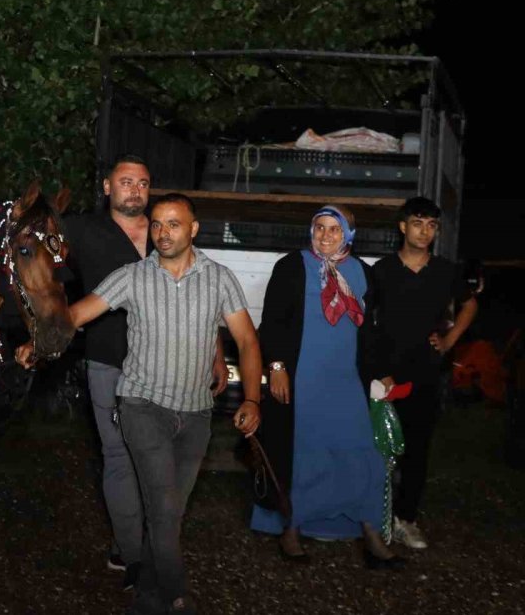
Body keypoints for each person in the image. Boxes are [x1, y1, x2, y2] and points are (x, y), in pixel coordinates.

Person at [53, 193, 261, 614]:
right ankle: (176, 595)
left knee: (169, 513)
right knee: (164, 507)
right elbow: (75, 315)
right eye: (158, 225)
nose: (163, 233)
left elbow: (247, 340)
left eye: (174, 224)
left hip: (197, 413)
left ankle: (147, 596)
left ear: (194, 229)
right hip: (142, 405)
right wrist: (36, 338)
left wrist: (253, 398)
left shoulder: (219, 278)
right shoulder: (132, 276)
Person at [249, 205, 403, 569]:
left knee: (361, 453)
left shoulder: (363, 272)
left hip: (346, 381)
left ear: (349, 234)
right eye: (320, 227)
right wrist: (277, 367)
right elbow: (271, 322)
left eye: (335, 229)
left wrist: (381, 372)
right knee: (304, 455)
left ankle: (370, 533)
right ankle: (292, 529)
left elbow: (373, 330)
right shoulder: (292, 266)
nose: (326, 235)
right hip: (303, 380)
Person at [371, 196, 477, 549]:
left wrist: (448, 342)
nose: (425, 231)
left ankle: (406, 520)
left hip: (425, 375)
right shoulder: (382, 271)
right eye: (418, 223)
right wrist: (378, 370)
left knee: (416, 451)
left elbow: (470, 304)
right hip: (384, 376)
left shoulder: (445, 271)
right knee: (377, 448)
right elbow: (365, 324)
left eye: (432, 225)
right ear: (403, 227)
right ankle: (373, 518)